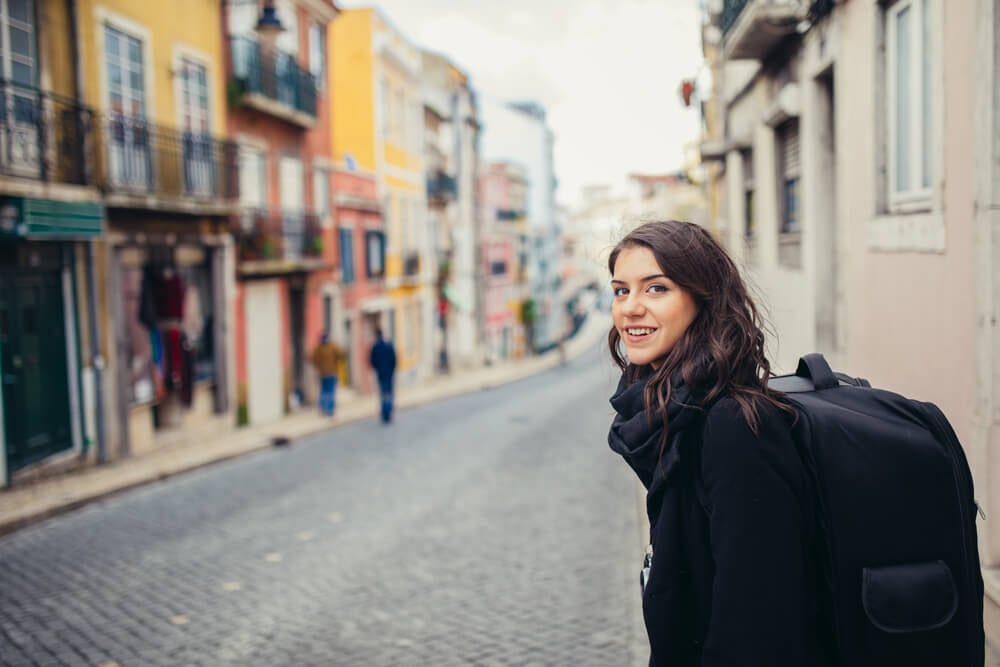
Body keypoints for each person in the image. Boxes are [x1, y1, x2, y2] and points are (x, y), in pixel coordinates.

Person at [606, 221, 824, 666]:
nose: (630, 308)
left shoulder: (734, 425)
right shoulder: (671, 414)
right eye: (620, 291)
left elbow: (758, 624)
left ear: (702, 299)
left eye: (656, 289)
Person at [310, 333, 344, 417]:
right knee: (330, 392)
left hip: (322, 374)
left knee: (324, 391)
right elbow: (341, 354)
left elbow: (311, 358)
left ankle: (323, 408)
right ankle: (330, 409)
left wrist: (318, 366)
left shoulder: (318, 348)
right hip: (331, 373)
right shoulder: (332, 346)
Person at [369, 328, 397, 424]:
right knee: (389, 393)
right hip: (389, 373)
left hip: (381, 374)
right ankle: (388, 411)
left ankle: (384, 412)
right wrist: (392, 370)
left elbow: (372, 361)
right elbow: (394, 359)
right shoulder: (388, 345)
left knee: (382, 394)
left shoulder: (375, 347)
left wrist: (377, 369)